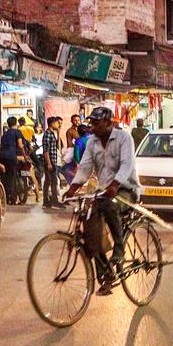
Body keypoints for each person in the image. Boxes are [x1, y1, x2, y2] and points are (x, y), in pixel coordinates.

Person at [64, 106, 140, 295]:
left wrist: (115, 184)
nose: (93, 127)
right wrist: (72, 188)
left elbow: (127, 164)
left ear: (109, 123)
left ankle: (120, 248)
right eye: (91, 123)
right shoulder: (92, 142)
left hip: (126, 189)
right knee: (91, 229)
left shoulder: (124, 138)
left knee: (109, 205)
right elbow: (85, 167)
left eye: (96, 123)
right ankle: (106, 274)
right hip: (104, 191)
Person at [0, 117, 28, 205]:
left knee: (4, 178)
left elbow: (2, 146)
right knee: (12, 178)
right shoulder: (17, 132)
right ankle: (12, 198)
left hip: (2, 157)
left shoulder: (4, 134)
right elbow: (20, 145)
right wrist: (24, 156)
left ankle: (5, 198)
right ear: (16, 123)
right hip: (11, 157)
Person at [41, 115, 64, 209]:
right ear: (52, 123)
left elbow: (58, 147)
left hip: (53, 160)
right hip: (50, 161)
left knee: (49, 181)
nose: (58, 125)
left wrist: (58, 133)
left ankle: (47, 201)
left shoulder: (52, 134)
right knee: (52, 181)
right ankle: (53, 200)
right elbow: (45, 150)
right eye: (57, 123)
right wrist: (49, 163)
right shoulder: (47, 134)